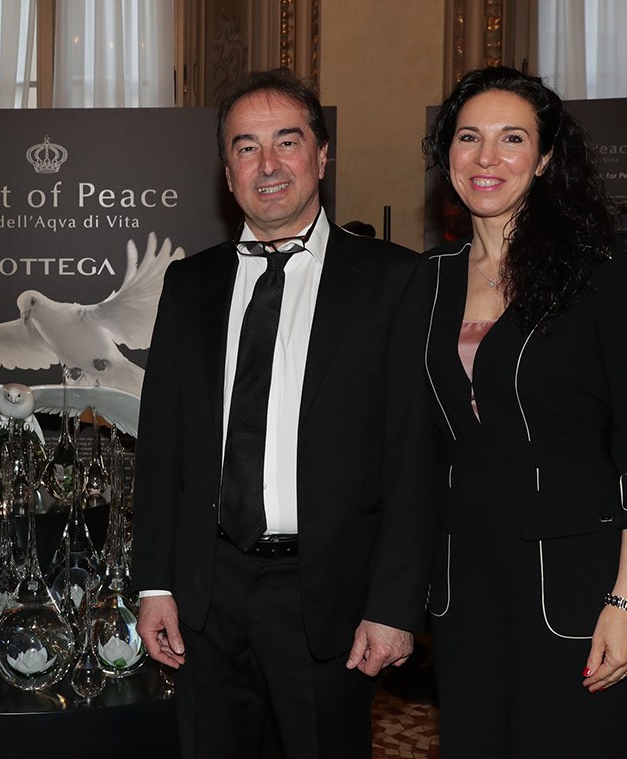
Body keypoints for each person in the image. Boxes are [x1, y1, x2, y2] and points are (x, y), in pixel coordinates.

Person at [133, 70, 433, 758]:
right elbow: (163, 447)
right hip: (205, 595)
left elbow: (412, 458)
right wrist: (154, 584)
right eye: (246, 147)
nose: (267, 165)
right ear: (226, 170)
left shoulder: (393, 280)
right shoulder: (189, 284)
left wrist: (393, 607)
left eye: (286, 142)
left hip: (327, 596)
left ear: (322, 155)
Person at [416, 66, 627, 757]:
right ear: (447, 153)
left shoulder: (605, 267)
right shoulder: (426, 280)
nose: (486, 157)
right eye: (468, 137)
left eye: (512, 138)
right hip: (461, 586)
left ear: (544, 158)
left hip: (574, 582)